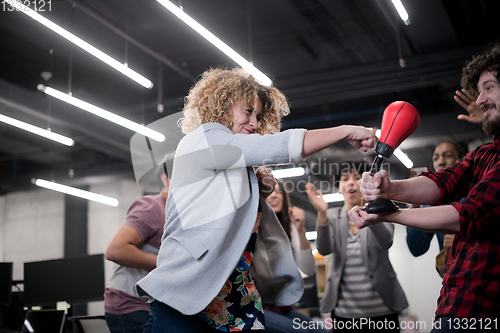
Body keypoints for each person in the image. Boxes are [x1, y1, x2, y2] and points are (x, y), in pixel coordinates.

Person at [135, 67, 375, 332]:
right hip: (187, 290)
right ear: (222, 106)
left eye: (258, 115)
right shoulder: (203, 139)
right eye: (248, 111)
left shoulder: (231, 160)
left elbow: (226, 214)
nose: (254, 122)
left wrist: (256, 190)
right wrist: (345, 131)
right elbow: (275, 147)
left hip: (231, 296)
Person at [350, 44, 500, 328]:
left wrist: (389, 213)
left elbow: (468, 213)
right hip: (455, 306)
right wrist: (390, 189)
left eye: (489, 88)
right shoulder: (485, 154)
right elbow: (443, 182)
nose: (479, 100)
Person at [306, 162, 408, 332]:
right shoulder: (330, 216)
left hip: (382, 309)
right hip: (345, 313)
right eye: (345, 179)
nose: (351, 182)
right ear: (339, 187)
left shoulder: (380, 211)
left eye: (357, 178)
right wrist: (322, 214)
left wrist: (370, 214)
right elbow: (324, 250)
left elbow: (386, 242)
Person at [103, 157, 170, 333]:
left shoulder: (177, 212)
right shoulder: (152, 207)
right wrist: (167, 264)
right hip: (129, 303)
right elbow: (115, 250)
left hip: (152, 303)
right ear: (166, 179)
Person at [264, 179, 327, 333]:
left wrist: (300, 230)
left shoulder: (289, 227)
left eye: (279, 192)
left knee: (320, 331)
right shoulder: (255, 227)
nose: (275, 196)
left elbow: (308, 269)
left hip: (280, 307)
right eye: (270, 191)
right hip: (257, 307)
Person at [405, 141, 466, 258]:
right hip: (450, 273)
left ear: (461, 161)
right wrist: (415, 204)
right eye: (436, 158)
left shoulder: (475, 193)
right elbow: (417, 248)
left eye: (448, 156)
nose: (441, 162)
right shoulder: (432, 204)